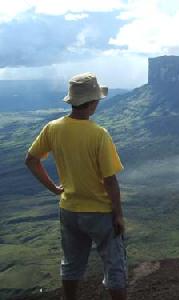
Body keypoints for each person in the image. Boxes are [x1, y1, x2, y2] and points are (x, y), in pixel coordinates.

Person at [25, 72, 127, 300]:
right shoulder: (99, 134)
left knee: (71, 263)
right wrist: (119, 215)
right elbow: (110, 180)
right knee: (114, 266)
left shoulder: (52, 128)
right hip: (100, 212)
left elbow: (31, 160)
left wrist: (53, 188)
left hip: (69, 209)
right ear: (92, 103)